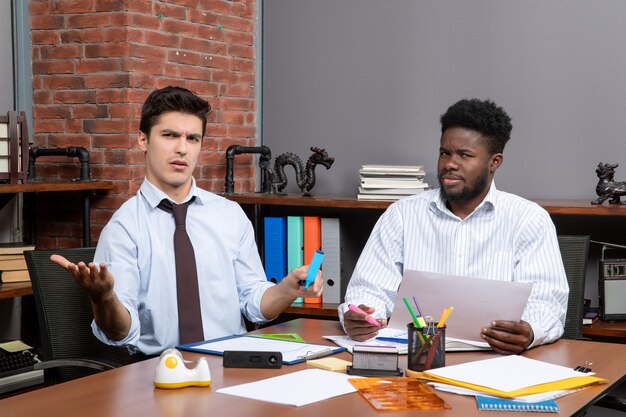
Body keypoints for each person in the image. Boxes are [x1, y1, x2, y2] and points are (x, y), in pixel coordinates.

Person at [51, 86, 322, 357]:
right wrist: (104, 297)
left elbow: (254, 303)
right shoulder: (124, 227)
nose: (182, 149)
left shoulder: (230, 215)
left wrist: (287, 288)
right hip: (157, 372)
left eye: (192, 138)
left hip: (229, 366)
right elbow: (120, 333)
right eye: (169, 135)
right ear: (143, 140)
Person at [340, 98, 568, 355]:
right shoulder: (402, 215)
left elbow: (547, 304)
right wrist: (362, 316)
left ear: (495, 162)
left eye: (465, 155)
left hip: (495, 361)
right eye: (444, 153)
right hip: (415, 358)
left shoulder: (528, 219)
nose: (450, 163)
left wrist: (530, 331)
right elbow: (369, 290)